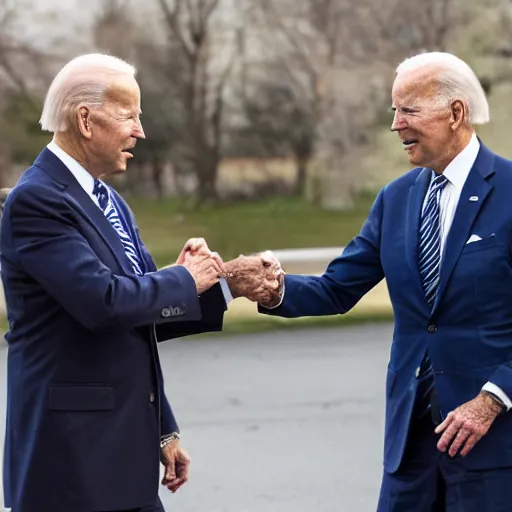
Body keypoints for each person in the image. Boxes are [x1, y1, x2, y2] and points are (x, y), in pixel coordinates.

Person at [1, 53, 281, 512]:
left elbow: (140, 317)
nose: (140, 131)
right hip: (71, 461)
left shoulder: (108, 200)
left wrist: (226, 284)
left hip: (119, 450)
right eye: (129, 115)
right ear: (86, 120)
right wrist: (183, 278)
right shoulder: (38, 201)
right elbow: (104, 303)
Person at [259, 51, 512, 511]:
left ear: (456, 113)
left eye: (408, 110)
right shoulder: (395, 199)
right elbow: (337, 288)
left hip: (493, 446)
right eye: (394, 110)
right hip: (410, 447)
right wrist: (271, 288)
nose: (396, 124)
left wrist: (492, 399)